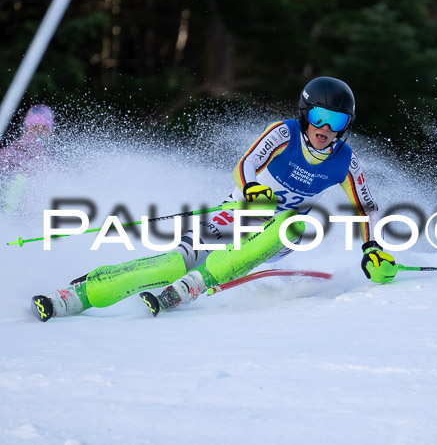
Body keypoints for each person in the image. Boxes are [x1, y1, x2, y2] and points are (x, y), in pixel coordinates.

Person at [32, 77, 398, 322]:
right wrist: (252, 188)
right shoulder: (283, 133)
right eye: (319, 117)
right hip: (242, 209)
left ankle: (197, 284)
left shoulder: (345, 162)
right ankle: (80, 294)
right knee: (173, 264)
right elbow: (246, 163)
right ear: (305, 114)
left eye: (336, 122)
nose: (325, 130)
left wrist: (373, 248)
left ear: (346, 125)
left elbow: (366, 207)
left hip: (279, 231)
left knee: (293, 226)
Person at [1, 104, 54, 213]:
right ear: (26, 128)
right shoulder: (21, 147)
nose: (39, 131)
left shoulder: (49, 154)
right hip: (12, 207)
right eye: (34, 126)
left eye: (44, 128)